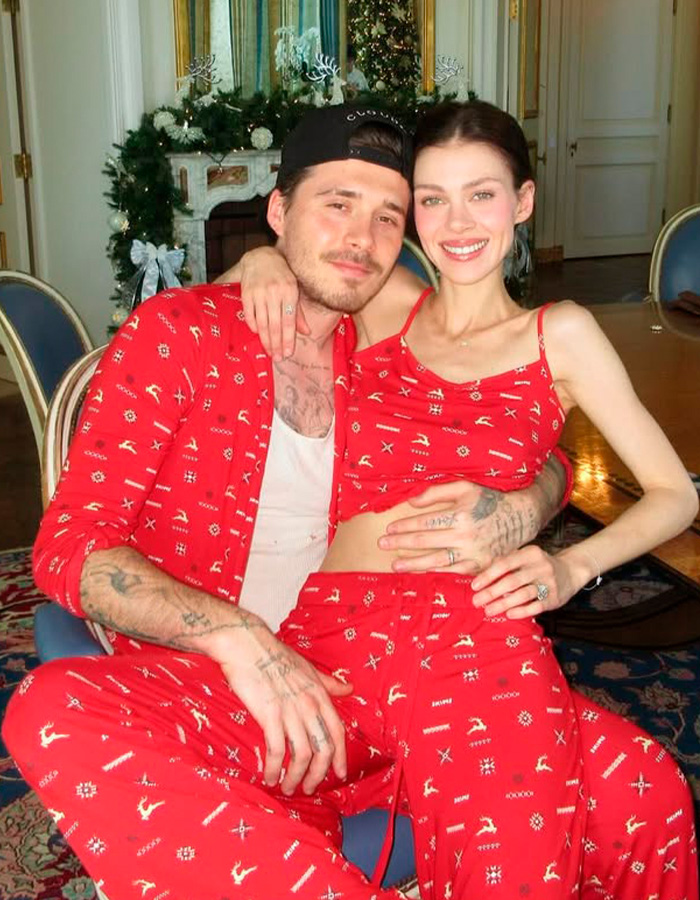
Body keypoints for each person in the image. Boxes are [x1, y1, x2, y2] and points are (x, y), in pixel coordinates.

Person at [3, 106, 572, 900]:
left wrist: (531, 503)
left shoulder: (390, 347)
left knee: (642, 786)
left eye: (388, 216)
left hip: (390, 682)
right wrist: (238, 638)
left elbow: (538, 440)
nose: (360, 238)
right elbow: (70, 546)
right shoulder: (178, 335)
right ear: (278, 212)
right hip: (218, 699)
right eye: (336, 204)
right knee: (50, 709)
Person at [223, 101, 700, 898]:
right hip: (343, 625)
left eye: (482, 195)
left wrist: (571, 567)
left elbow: (673, 495)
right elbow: (287, 263)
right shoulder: (388, 302)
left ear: (522, 201)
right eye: (433, 199)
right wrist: (263, 259)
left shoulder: (559, 333)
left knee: (646, 794)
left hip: (476, 632)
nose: (457, 223)